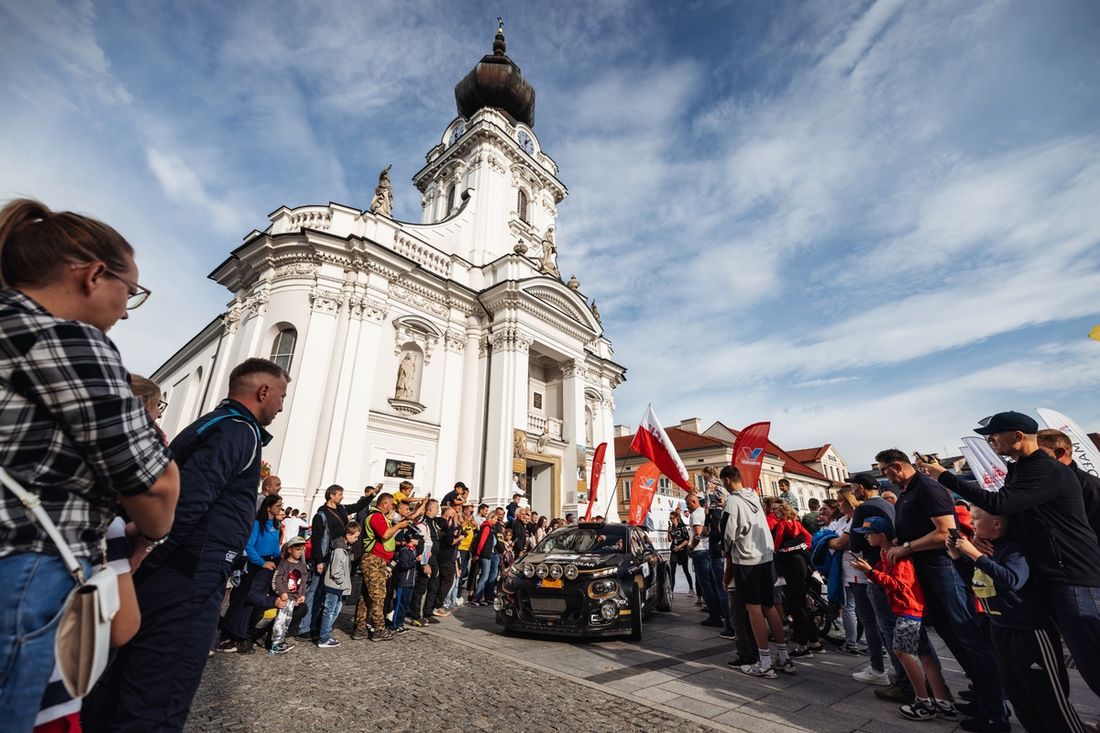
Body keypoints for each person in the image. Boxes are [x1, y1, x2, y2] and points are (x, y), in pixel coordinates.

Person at [0, 199, 179, 730]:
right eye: (131, 291)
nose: (126, 309)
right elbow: (155, 490)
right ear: (94, 275)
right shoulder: (68, 338)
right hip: (26, 568)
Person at [85, 357, 287, 732]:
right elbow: (188, 500)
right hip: (188, 577)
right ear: (263, 392)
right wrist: (145, 554)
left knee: (121, 682)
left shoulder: (209, 424)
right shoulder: (238, 431)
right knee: (161, 693)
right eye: (281, 396)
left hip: (173, 570)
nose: (281, 405)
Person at [923, 412, 1100, 703]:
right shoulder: (1020, 469)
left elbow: (999, 502)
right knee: (1055, 666)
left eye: (994, 434)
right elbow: (1012, 514)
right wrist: (987, 534)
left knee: (1091, 659)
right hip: (1047, 575)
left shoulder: (1047, 469)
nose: (990, 440)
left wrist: (944, 477)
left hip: (1073, 575)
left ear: (1017, 436)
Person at [876, 448, 1008, 731]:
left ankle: (996, 709)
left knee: (967, 633)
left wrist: (906, 547)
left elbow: (945, 532)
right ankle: (982, 694)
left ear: (896, 466)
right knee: (952, 634)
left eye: (883, 469)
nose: (882, 475)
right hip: (926, 572)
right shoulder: (908, 492)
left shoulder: (928, 487)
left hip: (942, 570)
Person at [946, 506, 1085, 733]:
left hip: (1029, 632)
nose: (971, 524)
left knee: (1049, 701)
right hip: (1001, 630)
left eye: (976, 519)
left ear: (997, 524)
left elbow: (1011, 580)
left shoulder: (1016, 550)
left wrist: (975, 555)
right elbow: (978, 584)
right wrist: (956, 556)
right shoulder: (989, 549)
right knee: (1021, 699)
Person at [849, 517, 958, 723]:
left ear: (882, 536)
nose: (866, 537)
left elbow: (900, 585)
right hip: (908, 610)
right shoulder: (886, 553)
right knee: (924, 654)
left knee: (902, 651)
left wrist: (870, 571)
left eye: (869, 534)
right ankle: (943, 702)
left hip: (909, 610)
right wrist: (871, 570)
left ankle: (923, 701)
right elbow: (884, 575)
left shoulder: (899, 557)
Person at [719, 466, 793, 678]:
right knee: (770, 607)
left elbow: (728, 533)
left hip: (747, 560)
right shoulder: (754, 497)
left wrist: (725, 548)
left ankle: (765, 662)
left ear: (726, 480)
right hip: (765, 558)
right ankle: (784, 657)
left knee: (754, 609)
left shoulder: (732, 502)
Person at [839, 475, 896, 689]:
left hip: (869, 568)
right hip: (888, 564)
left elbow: (853, 543)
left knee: (873, 621)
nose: (853, 492)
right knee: (887, 623)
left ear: (861, 488)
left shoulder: (864, 509)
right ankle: (900, 671)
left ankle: (879, 669)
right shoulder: (887, 504)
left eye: (854, 488)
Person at [299, 483, 373, 639]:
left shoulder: (341, 509)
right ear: (331, 495)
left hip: (336, 557)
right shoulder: (321, 514)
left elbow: (358, 505)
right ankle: (304, 627)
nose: (342, 496)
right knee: (314, 592)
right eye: (340, 494)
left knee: (325, 593)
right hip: (324, 557)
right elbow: (317, 539)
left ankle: (317, 624)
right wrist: (319, 561)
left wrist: (372, 496)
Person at [220, 494, 285, 652]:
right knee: (244, 600)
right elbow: (249, 546)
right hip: (256, 565)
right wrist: (261, 563)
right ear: (269, 507)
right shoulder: (258, 523)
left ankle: (249, 634)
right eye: (278, 506)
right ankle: (233, 635)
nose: (281, 508)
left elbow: (276, 546)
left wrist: (278, 561)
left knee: (259, 600)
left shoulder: (276, 525)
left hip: (270, 564)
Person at [353, 493, 411, 641]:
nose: (392, 507)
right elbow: (385, 534)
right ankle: (379, 629)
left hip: (376, 559)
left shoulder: (380, 516)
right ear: (384, 504)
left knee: (366, 595)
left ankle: (360, 628)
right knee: (378, 595)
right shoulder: (376, 516)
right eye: (391, 504)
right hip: (373, 559)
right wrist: (398, 526)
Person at [771, 501, 820, 657]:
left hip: (790, 565)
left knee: (795, 605)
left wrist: (778, 550)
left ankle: (802, 645)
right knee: (802, 604)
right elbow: (808, 537)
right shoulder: (797, 523)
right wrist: (802, 547)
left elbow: (777, 542)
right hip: (802, 562)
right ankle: (815, 641)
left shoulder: (782, 524)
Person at [1037, 428, 1100, 542]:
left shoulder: (1091, 486)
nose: (1032, 459)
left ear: (1059, 453)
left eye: (1038, 454)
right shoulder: (1037, 485)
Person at [317, 522, 359, 648]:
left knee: (335, 609)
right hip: (334, 585)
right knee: (329, 611)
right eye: (356, 536)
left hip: (337, 585)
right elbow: (336, 570)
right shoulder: (340, 550)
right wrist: (342, 581)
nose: (356, 539)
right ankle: (323, 638)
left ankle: (326, 634)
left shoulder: (343, 548)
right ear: (348, 534)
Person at [269, 536, 309, 655]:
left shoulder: (302, 565)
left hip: (294, 599)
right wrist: (282, 592)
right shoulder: (284, 564)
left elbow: (303, 581)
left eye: (302, 549)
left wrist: (302, 594)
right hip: (285, 598)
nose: (300, 552)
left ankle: (281, 641)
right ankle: (275, 644)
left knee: (287, 621)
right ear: (290, 550)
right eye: (297, 549)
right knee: (280, 621)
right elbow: (277, 580)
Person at [687, 492, 721, 627]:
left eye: (688, 504)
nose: (687, 507)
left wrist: (691, 547)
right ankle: (720, 612)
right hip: (708, 550)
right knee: (713, 584)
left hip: (699, 552)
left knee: (705, 585)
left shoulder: (695, 514)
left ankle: (714, 616)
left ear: (694, 502)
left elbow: (698, 534)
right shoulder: (704, 513)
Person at [390, 531, 418, 634]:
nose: (418, 541)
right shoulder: (405, 551)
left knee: (405, 604)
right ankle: (395, 624)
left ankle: (400, 623)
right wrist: (415, 560)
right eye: (416, 538)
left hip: (410, 582)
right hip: (403, 582)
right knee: (399, 604)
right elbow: (404, 565)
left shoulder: (413, 550)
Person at [667, 511, 693, 595]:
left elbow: (687, 539)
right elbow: (670, 540)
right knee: (672, 571)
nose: (671, 520)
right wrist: (669, 532)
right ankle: (671, 591)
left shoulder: (682, 527)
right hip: (674, 551)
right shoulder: (672, 527)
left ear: (677, 518)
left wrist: (679, 547)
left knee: (686, 570)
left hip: (682, 551)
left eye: (673, 518)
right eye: (670, 518)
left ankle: (691, 588)